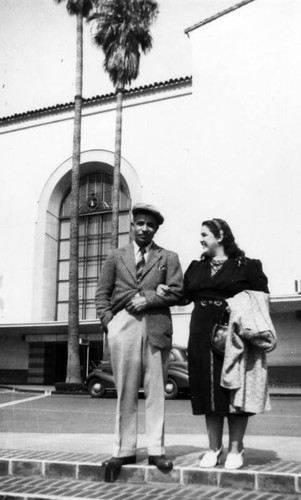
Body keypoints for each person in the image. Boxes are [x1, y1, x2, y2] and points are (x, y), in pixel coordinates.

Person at [95, 203, 183, 474]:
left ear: (156, 229)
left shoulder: (168, 257)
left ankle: (156, 451)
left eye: (150, 225)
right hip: (123, 327)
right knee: (126, 390)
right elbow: (102, 294)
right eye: (140, 223)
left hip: (156, 327)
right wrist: (110, 322)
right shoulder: (115, 256)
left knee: (156, 390)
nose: (145, 228)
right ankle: (123, 451)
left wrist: (148, 298)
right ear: (131, 226)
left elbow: (179, 292)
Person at [184, 218, 274, 470]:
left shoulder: (247, 266)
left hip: (232, 334)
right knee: (209, 392)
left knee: (235, 391)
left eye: (205, 234)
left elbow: (261, 299)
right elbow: (182, 296)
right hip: (201, 332)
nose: (201, 239)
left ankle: (236, 448)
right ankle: (214, 448)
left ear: (220, 235)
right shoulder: (196, 267)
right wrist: (162, 291)